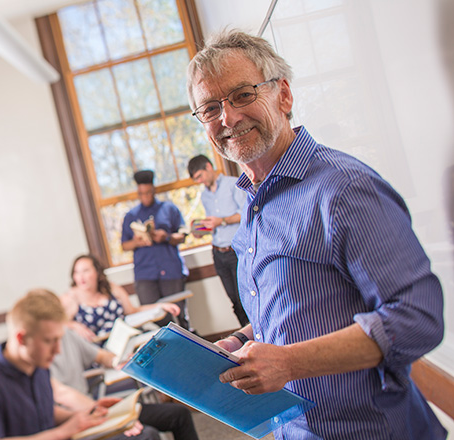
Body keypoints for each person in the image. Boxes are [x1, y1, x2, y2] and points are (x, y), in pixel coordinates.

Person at [186, 30, 446, 439]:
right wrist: (239, 341)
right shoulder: (253, 202)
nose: (228, 118)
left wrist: (289, 362)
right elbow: (299, 306)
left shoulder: (344, 189)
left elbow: (418, 319)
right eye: (210, 108)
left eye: (241, 95)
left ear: (283, 96)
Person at [0, 289, 159, 440]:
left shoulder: (38, 366)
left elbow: (44, 413)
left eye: (59, 340)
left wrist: (86, 414)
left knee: (145, 435)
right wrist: (64, 431)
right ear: (21, 338)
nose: (58, 350)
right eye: (49, 341)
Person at [50, 327, 200, 440]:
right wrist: (107, 418)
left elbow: (100, 355)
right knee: (147, 435)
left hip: (91, 409)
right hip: (78, 420)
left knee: (179, 414)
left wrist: (117, 362)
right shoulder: (33, 364)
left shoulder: (67, 334)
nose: (57, 349)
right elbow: (63, 394)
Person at [121, 170, 190, 329]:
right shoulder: (130, 216)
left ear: (154, 190)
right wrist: (137, 242)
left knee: (178, 316)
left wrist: (166, 237)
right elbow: (125, 245)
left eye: (148, 193)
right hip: (145, 274)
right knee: (155, 319)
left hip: (171, 270)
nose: (145, 197)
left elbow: (183, 235)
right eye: (141, 193)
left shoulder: (169, 209)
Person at [187, 154, 248, 326]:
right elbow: (213, 223)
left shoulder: (233, 184)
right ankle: (247, 339)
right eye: (196, 179)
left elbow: (245, 214)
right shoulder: (205, 196)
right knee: (234, 302)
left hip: (236, 251)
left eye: (200, 176)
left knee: (244, 300)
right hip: (218, 254)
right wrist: (201, 230)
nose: (200, 181)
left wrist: (221, 221)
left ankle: (260, 340)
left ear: (208, 167)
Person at [61, 254, 180, 342]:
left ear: (97, 272)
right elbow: (54, 324)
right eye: (76, 272)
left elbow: (132, 311)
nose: (81, 277)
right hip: (102, 350)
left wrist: (161, 306)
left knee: (164, 340)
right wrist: (74, 325)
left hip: (128, 339)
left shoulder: (111, 288)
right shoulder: (70, 298)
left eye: (86, 271)